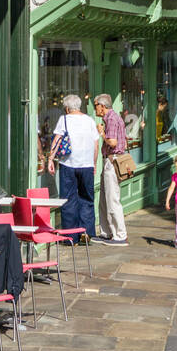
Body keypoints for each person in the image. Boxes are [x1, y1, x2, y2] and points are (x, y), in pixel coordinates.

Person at [48, 93, 100, 241]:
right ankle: (86, 232)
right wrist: (94, 163)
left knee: (68, 199)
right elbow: (96, 145)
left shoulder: (64, 119)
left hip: (68, 164)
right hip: (87, 165)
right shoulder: (89, 120)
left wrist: (50, 159)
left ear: (66, 108)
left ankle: (71, 236)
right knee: (87, 199)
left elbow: (57, 140)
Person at [93, 93, 128, 246]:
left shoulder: (111, 119)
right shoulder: (111, 118)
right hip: (110, 161)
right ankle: (106, 232)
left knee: (112, 199)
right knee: (104, 199)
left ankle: (120, 235)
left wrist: (101, 133)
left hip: (112, 162)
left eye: (96, 105)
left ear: (103, 106)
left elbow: (112, 142)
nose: (95, 108)